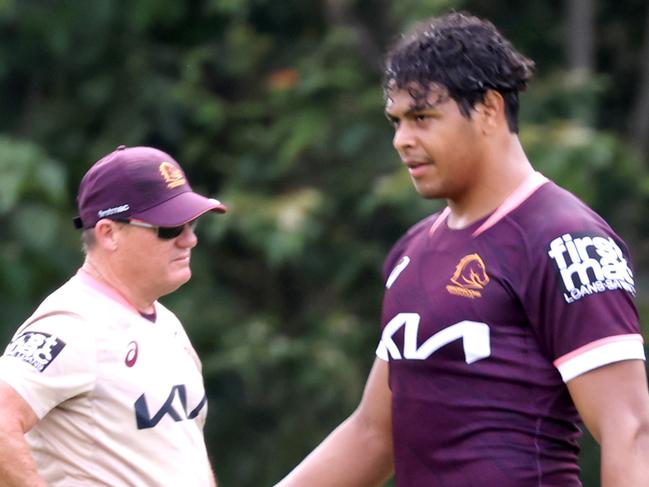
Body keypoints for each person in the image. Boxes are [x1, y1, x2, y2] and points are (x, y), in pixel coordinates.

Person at [276, 12, 649, 487]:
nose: (402, 140)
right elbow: (374, 433)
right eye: (396, 122)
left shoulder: (568, 241)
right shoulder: (410, 252)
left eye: (422, 118)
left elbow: (630, 431)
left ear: (490, 109)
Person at [0, 145, 226, 486]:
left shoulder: (167, 325)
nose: (190, 240)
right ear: (109, 233)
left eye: (191, 223)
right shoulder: (72, 324)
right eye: (169, 228)